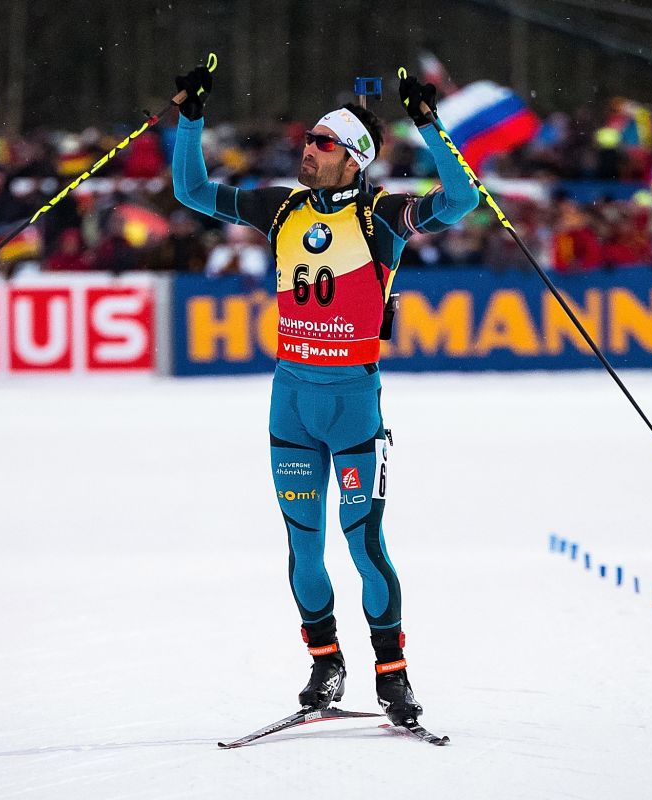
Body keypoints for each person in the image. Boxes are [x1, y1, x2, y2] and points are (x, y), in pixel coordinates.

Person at [172, 65, 477, 726]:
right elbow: (190, 189)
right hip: (291, 406)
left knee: (364, 544)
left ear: (355, 158)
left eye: (323, 142)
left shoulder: (383, 218)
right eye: (308, 138)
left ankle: (392, 676)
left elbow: (462, 203)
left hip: (353, 409)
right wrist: (190, 116)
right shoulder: (280, 206)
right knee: (304, 546)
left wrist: (430, 125)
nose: (307, 148)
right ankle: (325, 662)